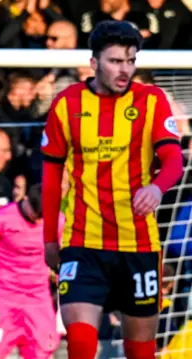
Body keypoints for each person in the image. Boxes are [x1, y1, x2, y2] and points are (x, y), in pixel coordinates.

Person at [42, 20, 183, 359]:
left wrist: (157, 186)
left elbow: (174, 159)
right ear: (94, 63)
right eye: (116, 61)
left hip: (138, 244)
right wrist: (49, 238)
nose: (125, 70)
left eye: (131, 61)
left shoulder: (151, 101)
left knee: (140, 353)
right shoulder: (66, 104)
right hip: (83, 243)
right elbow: (50, 177)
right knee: (80, 346)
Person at [0, 184, 64, 359]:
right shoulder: (0, 219)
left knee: (44, 353)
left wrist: (64, 305)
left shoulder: (58, 222)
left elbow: (62, 263)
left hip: (38, 302)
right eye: (37, 214)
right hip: (4, 301)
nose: (39, 220)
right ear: (25, 199)